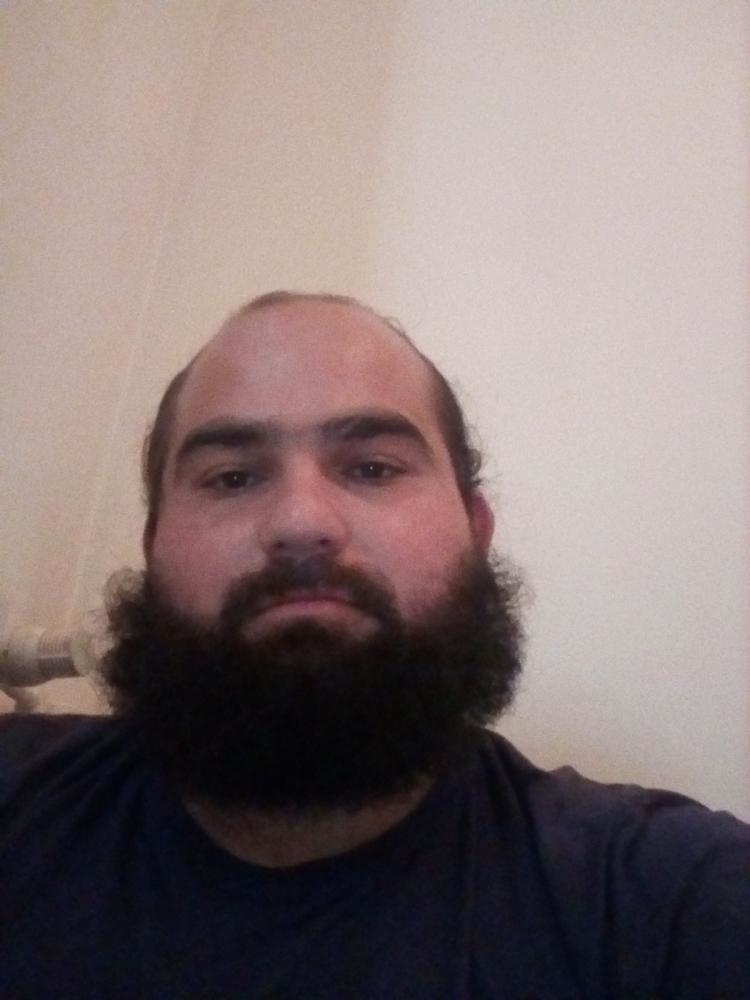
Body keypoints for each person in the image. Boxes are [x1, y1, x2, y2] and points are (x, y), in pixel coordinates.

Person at [0, 291, 747, 999]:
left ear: (476, 533)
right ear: (153, 547)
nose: (301, 521)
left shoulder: (668, 897)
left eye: (372, 468)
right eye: (231, 478)